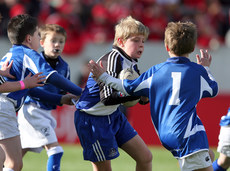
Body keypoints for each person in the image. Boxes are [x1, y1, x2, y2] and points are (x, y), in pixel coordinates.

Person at [89, 21, 218, 171]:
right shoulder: (198, 71)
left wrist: (104, 77)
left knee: (209, 154)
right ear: (193, 47)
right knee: (204, 156)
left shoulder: (156, 71)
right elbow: (213, 89)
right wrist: (206, 68)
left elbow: (127, 87)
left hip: (166, 135)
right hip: (190, 135)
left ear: (167, 46)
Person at [0, 14, 82, 171]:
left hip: (7, 108)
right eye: (38, 35)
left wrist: (60, 99)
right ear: (29, 39)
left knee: (6, 160)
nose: (39, 38)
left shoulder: (11, 54)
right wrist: (82, 91)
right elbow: (50, 76)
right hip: (5, 107)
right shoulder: (27, 53)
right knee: (14, 164)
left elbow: (34, 91)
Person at [74, 16, 152, 171]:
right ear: (121, 42)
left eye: (143, 41)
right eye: (136, 40)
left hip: (113, 116)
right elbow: (107, 98)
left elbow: (138, 96)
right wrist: (136, 94)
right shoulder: (113, 59)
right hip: (92, 120)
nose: (141, 45)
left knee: (145, 157)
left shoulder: (131, 62)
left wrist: (145, 95)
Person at [17, 23, 75, 171]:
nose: (57, 44)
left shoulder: (65, 66)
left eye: (61, 41)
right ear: (42, 43)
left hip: (45, 112)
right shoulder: (34, 62)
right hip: (32, 110)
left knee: (17, 155)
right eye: (53, 40)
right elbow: (29, 90)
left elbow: (63, 92)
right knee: (56, 151)